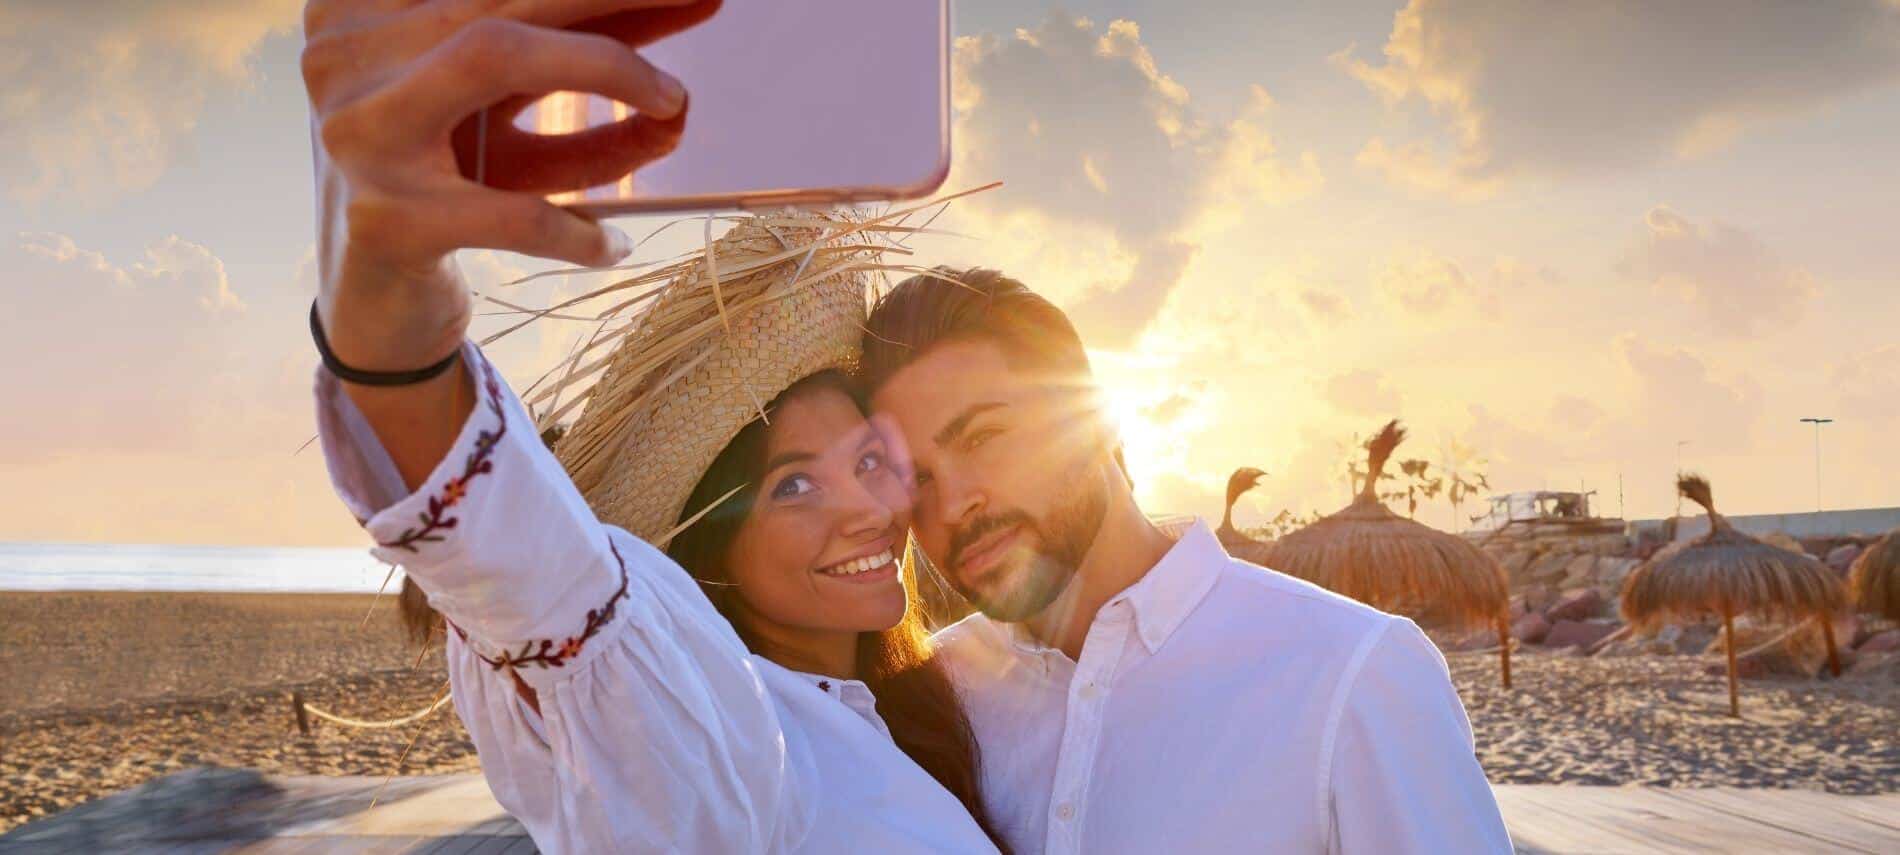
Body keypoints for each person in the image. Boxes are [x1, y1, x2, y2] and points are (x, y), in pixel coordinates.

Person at [303, 1, 1004, 851]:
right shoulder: (734, 735)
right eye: (793, 484)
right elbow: (551, 593)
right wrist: (393, 331)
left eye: (866, 460)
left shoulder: (943, 700)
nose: (864, 509)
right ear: (711, 550)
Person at [860, 268, 1514, 854]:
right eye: (913, 478)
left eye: (981, 436)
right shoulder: (926, 698)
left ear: (1094, 422)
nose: (950, 505)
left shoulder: (1354, 674)